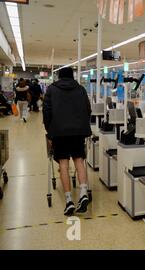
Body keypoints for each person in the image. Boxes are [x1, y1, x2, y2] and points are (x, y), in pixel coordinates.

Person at [43, 67, 92, 216]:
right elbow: (88, 109)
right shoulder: (81, 89)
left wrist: (49, 131)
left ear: (59, 76)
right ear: (72, 76)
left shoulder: (51, 90)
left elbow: (47, 112)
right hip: (77, 132)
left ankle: (69, 201)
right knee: (79, 161)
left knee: (63, 165)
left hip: (59, 132)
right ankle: (83, 193)